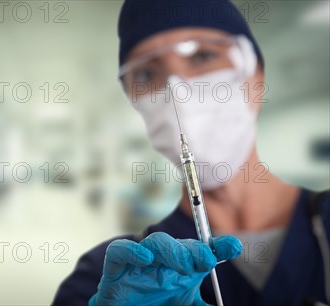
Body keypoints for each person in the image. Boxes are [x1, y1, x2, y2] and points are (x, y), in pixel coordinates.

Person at [52, 1, 330, 305]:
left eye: (203, 55)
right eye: (146, 73)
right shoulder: (118, 276)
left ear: (255, 77)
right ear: (133, 100)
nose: (176, 90)